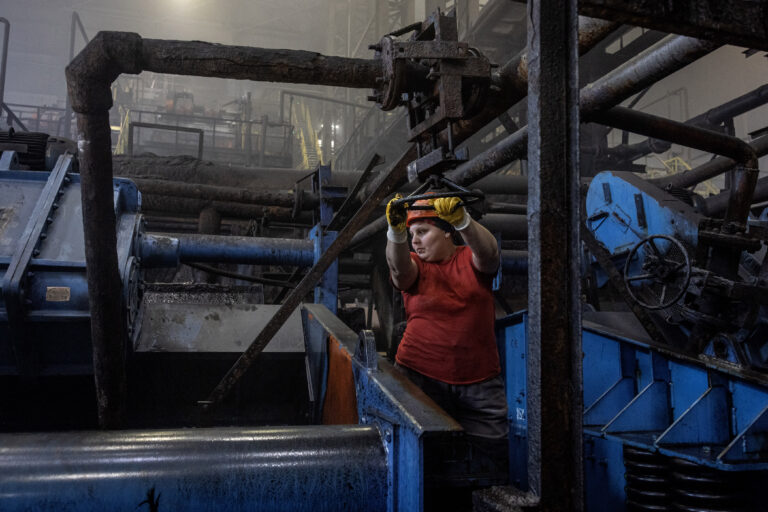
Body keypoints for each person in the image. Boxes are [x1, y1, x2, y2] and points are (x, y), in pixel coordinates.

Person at [385, 193, 508, 468]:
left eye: (423, 231)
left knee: (492, 458)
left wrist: (464, 221)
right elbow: (399, 270)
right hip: (419, 378)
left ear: (447, 232)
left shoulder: (470, 260)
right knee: (418, 462)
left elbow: (489, 254)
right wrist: (395, 233)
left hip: (479, 382)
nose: (415, 241)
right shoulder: (415, 265)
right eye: (411, 234)